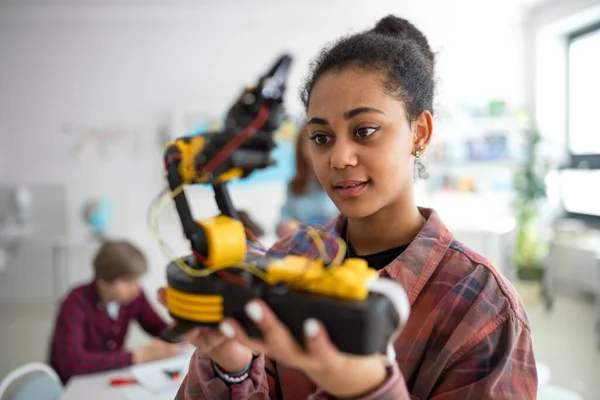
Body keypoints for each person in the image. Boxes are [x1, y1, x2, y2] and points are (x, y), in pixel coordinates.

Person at [171, 15, 538, 399]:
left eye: (364, 130)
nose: (339, 158)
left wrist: (369, 390)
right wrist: (233, 368)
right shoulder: (281, 266)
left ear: (420, 133)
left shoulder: (482, 307)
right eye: (321, 137)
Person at [49, 240, 184, 384]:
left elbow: (159, 328)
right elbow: (71, 364)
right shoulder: (75, 303)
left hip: (107, 378)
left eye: (137, 281)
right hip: (75, 386)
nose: (136, 289)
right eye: (128, 283)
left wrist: (181, 332)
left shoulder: (134, 296)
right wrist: (136, 357)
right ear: (103, 281)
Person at [276, 125, 339, 238]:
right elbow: (285, 217)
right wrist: (284, 227)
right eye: (310, 144)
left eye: (320, 142)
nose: (314, 149)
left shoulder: (341, 180)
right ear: (300, 149)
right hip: (303, 248)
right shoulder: (294, 185)